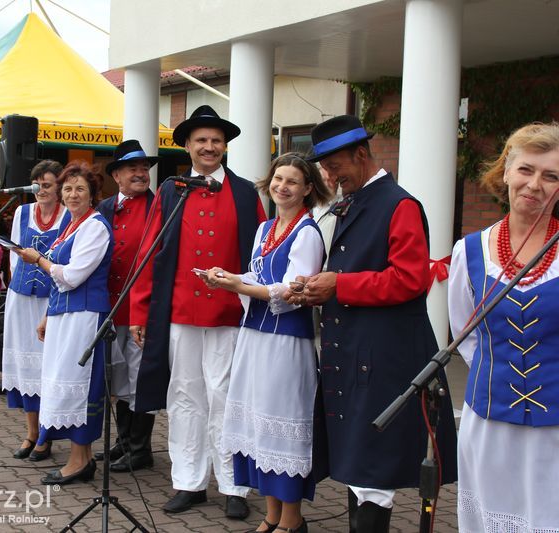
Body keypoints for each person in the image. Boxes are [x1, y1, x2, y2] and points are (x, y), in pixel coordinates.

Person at [288, 115, 457, 532]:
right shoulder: (358, 199)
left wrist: (338, 284)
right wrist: (319, 285)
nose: (330, 175)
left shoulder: (398, 204)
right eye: (324, 168)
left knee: (374, 472)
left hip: (384, 354)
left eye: (335, 165)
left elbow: (410, 279)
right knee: (360, 467)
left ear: (361, 154)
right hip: (358, 349)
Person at [130, 105, 266, 518]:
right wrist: (139, 310)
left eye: (216, 141)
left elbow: (261, 255)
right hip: (180, 312)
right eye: (201, 140)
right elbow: (150, 251)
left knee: (226, 396)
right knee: (185, 396)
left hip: (230, 312)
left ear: (225, 147)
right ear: (188, 146)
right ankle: (189, 481)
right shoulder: (172, 190)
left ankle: (233, 485)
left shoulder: (245, 193)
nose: (209, 147)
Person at [205, 153, 331, 533]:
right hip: (255, 339)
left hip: (286, 344)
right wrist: (229, 276)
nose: (282, 187)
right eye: (278, 179)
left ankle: (291, 521)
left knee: (281, 427)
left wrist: (237, 285)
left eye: (292, 181)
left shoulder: (307, 233)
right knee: (260, 427)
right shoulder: (266, 229)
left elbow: (293, 290)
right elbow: (256, 275)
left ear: (308, 188)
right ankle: (271, 515)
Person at [448, 122, 559, 532]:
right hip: (489, 420)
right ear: (506, 172)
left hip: (555, 427)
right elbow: (464, 331)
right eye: (527, 170)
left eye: (551, 176)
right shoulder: (470, 250)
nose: (535, 184)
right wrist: (501, 371)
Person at [19, 162, 113, 485]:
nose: (73, 195)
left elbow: (72, 276)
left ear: (92, 195)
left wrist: (38, 260)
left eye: (80, 189)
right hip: (64, 314)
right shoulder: (71, 226)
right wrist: (48, 315)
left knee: (78, 386)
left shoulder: (95, 227)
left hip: (85, 316)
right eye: (68, 189)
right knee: (64, 382)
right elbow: (61, 281)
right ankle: (83, 460)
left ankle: (77, 461)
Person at [95, 140, 158, 473]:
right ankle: (123, 442)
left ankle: (140, 449)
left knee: (138, 380)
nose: (140, 173)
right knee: (118, 381)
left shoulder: (158, 206)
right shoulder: (104, 208)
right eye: (133, 168)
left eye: (144, 168)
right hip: (108, 309)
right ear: (117, 174)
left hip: (139, 311)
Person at [2, 160, 67, 462]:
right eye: (37, 184)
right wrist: (20, 285)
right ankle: (31, 432)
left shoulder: (67, 216)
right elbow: (14, 254)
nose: (41, 190)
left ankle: (46, 433)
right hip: (21, 298)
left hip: (49, 300)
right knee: (25, 369)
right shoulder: (22, 212)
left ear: (59, 188)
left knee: (47, 368)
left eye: (48, 185)